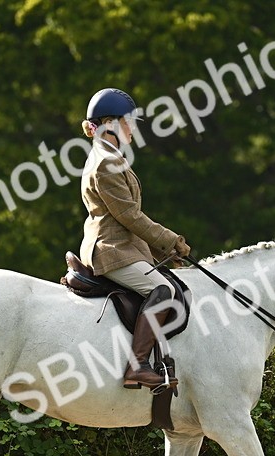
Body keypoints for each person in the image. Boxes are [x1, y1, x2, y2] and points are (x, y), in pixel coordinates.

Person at [78, 88, 191, 390]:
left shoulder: (111, 157)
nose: (133, 128)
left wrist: (162, 249)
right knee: (163, 290)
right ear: (110, 124)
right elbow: (128, 216)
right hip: (111, 250)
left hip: (124, 246)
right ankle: (138, 365)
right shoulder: (105, 164)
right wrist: (169, 240)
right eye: (129, 122)